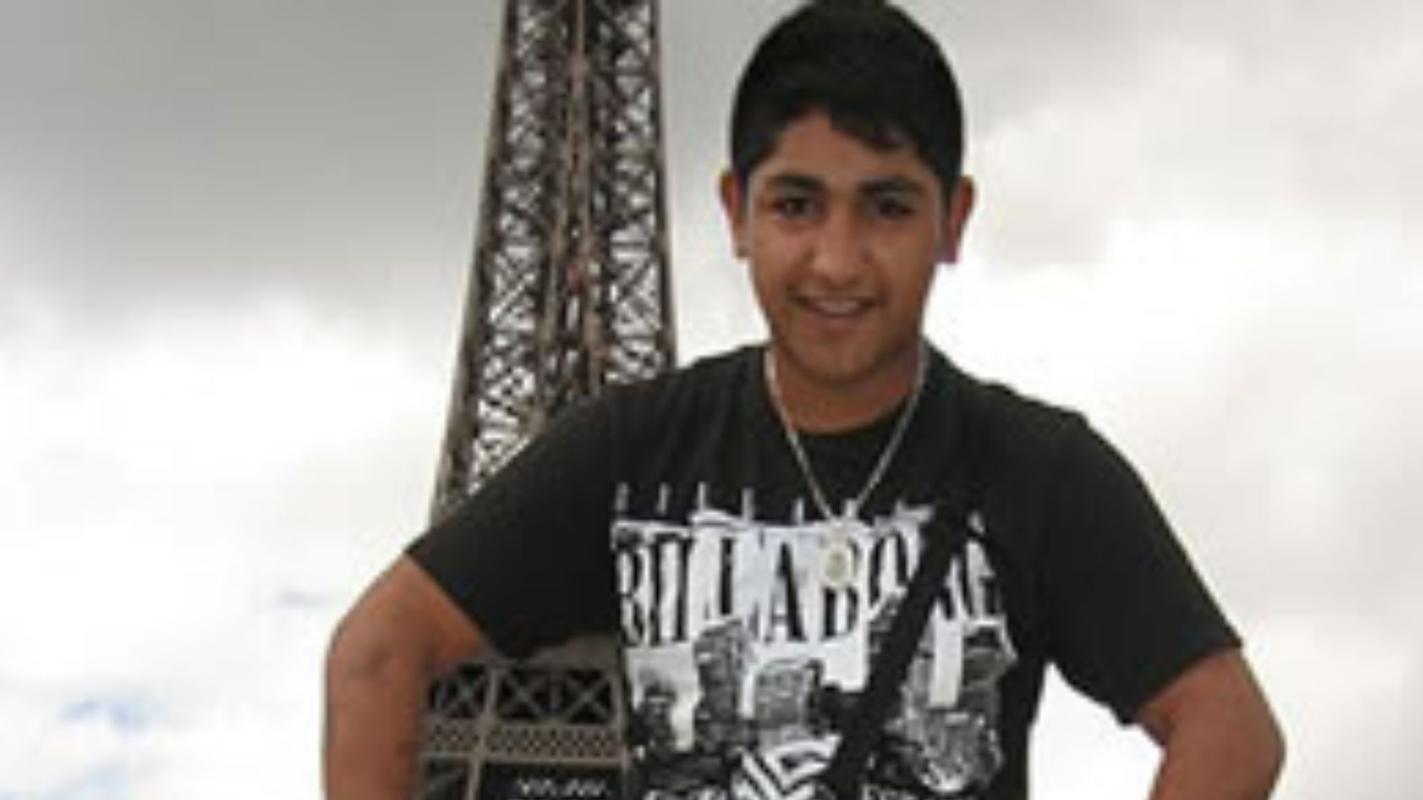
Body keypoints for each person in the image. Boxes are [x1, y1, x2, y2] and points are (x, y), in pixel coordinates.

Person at [323, 2, 1285, 798]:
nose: (836, 259)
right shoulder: (627, 452)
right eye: (795, 204)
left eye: (887, 206)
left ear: (952, 220)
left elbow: (1232, 729)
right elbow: (375, 653)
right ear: (736, 212)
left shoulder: (1040, 469)